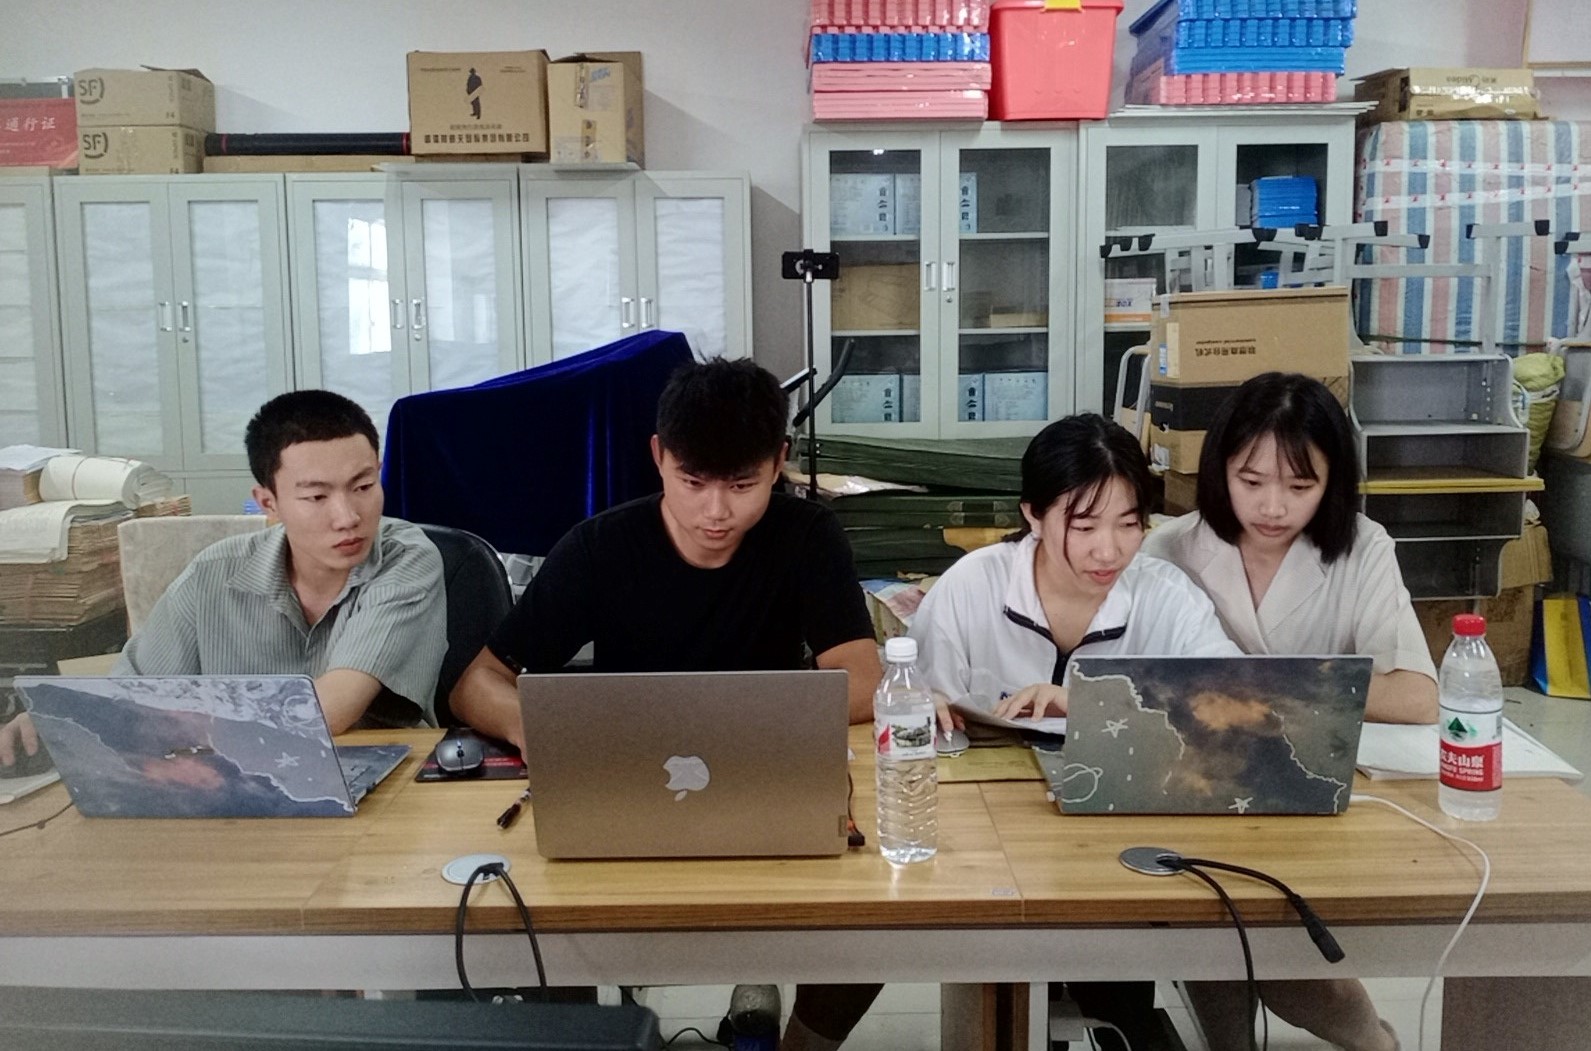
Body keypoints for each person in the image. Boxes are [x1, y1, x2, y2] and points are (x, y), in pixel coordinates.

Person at [449, 357, 883, 1051]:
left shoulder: (806, 535)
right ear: (658, 457)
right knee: (540, 921)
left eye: (742, 485)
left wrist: (731, 720)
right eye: (692, 482)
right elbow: (477, 681)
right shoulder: (601, 547)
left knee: (880, 916)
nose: (716, 511)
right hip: (628, 798)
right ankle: (597, 1036)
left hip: (770, 792)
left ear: (779, 462)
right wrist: (539, 728)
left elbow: (861, 679)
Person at [908, 413, 1240, 1051]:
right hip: (989, 839)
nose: (1108, 551)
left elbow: (1230, 708)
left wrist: (1093, 701)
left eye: (1129, 524)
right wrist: (928, 706)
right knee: (999, 987)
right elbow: (915, 701)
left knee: (1117, 972)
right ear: (1033, 515)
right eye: (1084, 526)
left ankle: (1119, 1016)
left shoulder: (1165, 596)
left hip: (1124, 838)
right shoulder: (973, 586)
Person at [1141, 371, 1431, 1051]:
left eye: (1301, 486)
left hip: (1310, 790)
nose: (1273, 507)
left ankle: (1375, 1041)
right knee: (1208, 919)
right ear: (1220, 470)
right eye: (1251, 481)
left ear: (1333, 481)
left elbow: (1416, 695)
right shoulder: (1168, 548)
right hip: (1198, 784)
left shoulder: (1362, 547)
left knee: (1292, 960)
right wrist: (1310, 690)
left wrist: (1249, 693)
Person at [0, 390, 448, 771]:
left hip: (384, 782)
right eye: (316, 496)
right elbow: (131, 696)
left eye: (364, 487)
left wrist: (151, 720)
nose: (347, 517)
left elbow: (328, 711)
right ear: (268, 502)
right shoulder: (214, 573)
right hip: (238, 783)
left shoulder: (406, 560)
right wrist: (63, 719)